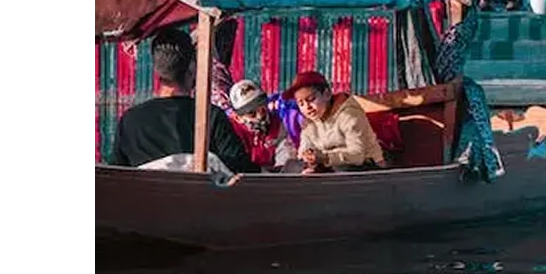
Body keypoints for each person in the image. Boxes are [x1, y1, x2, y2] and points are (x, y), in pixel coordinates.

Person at [110, 26, 259, 174]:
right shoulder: (211, 117)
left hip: (143, 190)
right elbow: (243, 171)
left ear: (157, 70)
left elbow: (115, 176)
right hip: (200, 190)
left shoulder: (129, 121)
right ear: (192, 68)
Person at [282, 70, 388, 174]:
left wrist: (325, 158)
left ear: (327, 94)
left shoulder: (349, 114)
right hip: (328, 165)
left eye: (311, 99)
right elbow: (303, 152)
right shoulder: (309, 123)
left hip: (366, 165)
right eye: (301, 104)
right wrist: (308, 161)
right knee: (291, 166)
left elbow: (357, 156)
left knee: (341, 168)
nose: (307, 107)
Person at [227, 79, 296, 171]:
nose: (260, 116)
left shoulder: (278, 125)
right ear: (238, 118)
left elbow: (285, 159)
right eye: (251, 113)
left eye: (262, 109)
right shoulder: (229, 130)